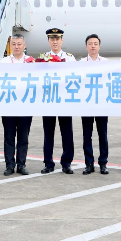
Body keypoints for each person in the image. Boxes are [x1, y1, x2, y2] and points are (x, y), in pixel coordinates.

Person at [38, 28, 76, 174]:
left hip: (64, 100)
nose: (55, 41)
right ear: (48, 41)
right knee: (48, 134)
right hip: (48, 101)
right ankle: (48, 163)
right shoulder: (43, 58)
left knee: (67, 133)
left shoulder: (69, 58)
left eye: (57, 39)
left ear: (62, 40)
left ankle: (66, 163)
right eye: (52, 39)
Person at [0, 34, 33, 176]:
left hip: (26, 105)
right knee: (9, 136)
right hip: (9, 104)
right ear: (10, 46)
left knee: (23, 137)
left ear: (24, 46)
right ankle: (9, 165)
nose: (16, 47)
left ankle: (21, 164)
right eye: (14, 44)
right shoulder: (4, 62)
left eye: (19, 44)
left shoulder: (31, 62)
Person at [80, 34, 110, 175]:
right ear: (86, 46)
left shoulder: (106, 62)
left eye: (95, 43)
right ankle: (89, 163)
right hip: (87, 104)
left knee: (102, 134)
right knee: (87, 135)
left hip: (101, 104)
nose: (93, 46)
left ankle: (103, 163)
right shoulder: (81, 63)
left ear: (99, 46)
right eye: (90, 44)